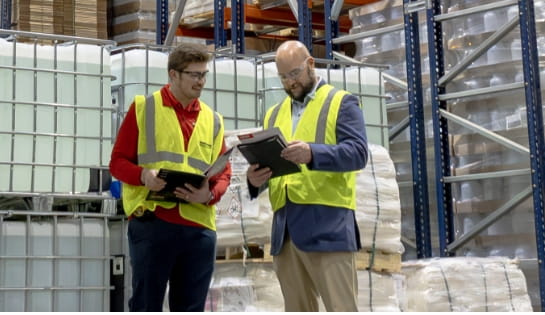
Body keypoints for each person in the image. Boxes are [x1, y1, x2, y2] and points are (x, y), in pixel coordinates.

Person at [246, 40, 368, 311]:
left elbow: (358, 153)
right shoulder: (273, 114)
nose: (290, 83)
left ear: (311, 64)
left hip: (328, 227)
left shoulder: (341, 102)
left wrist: (313, 153)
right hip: (285, 232)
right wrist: (255, 181)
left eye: (294, 74)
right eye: (283, 77)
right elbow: (276, 169)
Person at [109, 42, 232, 312]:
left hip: (199, 227)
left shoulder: (213, 120)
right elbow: (117, 163)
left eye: (203, 75)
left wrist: (210, 195)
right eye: (194, 75)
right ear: (173, 74)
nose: (200, 81)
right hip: (154, 222)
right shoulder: (144, 108)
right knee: (146, 305)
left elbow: (224, 173)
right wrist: (144, 176)